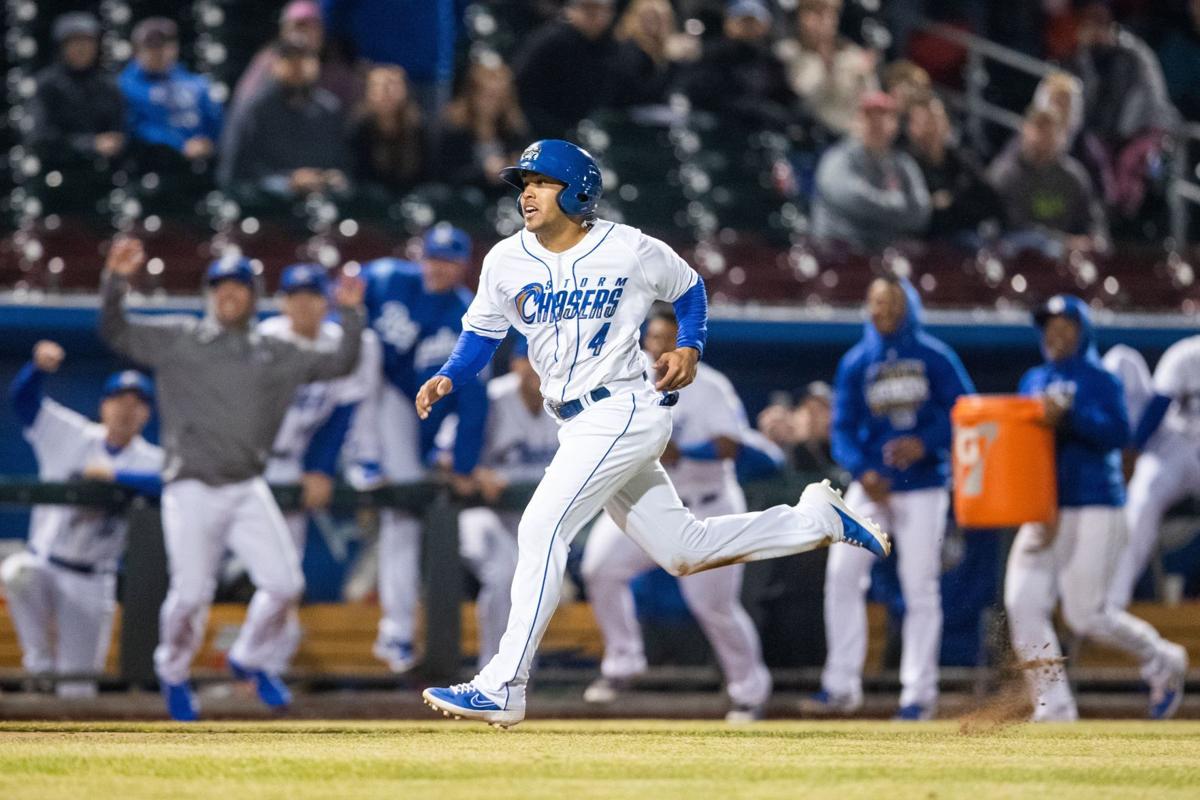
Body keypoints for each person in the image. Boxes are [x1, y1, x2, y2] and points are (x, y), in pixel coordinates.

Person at [415, 138, 891, 728]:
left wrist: (690, 344)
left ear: (577, 190)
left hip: (622, 409)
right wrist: (446, 375)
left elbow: (690, 289)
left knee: (541, 527)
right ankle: (813, 519)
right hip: (578, 422)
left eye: (540, 182)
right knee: (682, 550)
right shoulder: (504, 260)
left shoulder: (627, 247)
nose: (527, 193)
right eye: (524, 184)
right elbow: (481, 336)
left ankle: (504, 683)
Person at [98, 238, 365, 721]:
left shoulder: (275, 350)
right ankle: (174, 672)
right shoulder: (180, 337)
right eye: (221, 286)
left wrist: (349, 314)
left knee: (284, 585)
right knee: (191, 595)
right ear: (209, 294)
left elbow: (340, 363)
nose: (229, 294)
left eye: (239, 287)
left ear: (252, 296)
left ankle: (249, 658)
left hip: (245, 485)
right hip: (191, 485)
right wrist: (115, 280)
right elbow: (115, 330)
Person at [581, 307, 773, 723]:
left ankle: (749, 692)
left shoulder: (710, 386)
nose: (658, 347)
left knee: (714, 607)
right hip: (646, 502)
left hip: (706, 504)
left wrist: (684, 452)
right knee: (599, 569)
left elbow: (731, 445)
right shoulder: (630, 382)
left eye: (668, 340)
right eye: (653, 339)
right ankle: (623, 664)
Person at [1004, 295, 1188, 722]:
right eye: (1049, 325)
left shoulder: (1101, 378)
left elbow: (1119, 434)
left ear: (1083, 329)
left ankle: (1163, 657)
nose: (1056, 332)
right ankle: (1054, 707)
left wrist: (1069, 417)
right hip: (1045, 507)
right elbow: (1024, 449)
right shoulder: (1032, 379)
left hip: (1096, 503)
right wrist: (1031, 504)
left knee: (1085, 614)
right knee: (1022, 602)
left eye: (1065, 324)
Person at [805, 276, 974, 721]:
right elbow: (841, 429)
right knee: (841, 575)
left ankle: (918, 695)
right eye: (877, 301)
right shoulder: (857, 361)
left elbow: (966, 410)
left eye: (893, 301)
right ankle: (840, 686)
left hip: (924, 485)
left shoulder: (935, 356)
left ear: (909, 306)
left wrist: (926, 442)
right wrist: (863, 470)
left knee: (920, 586)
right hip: (873, 484)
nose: (884, 309)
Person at [345, 224, 489, 674]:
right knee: (365, 346)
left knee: (402, 517)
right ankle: (361, 456)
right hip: (356, 403)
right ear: (419, 256)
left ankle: (397, 635)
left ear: (462, 265)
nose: (438, 267)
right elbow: (345, 295)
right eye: (433, 257)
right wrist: (344, 309)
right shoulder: (386, 277)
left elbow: (473, 400)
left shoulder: (469, 314)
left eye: (448, 260)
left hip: (412, 422)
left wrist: (462, 462)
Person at [1, 344, 162, 698]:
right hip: (45, 566)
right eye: (119, 400)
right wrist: (36, 369)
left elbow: (171, 485)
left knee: (78, 691)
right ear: (104, 405)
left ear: (146, 414)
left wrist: (115, 476)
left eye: (137, 403)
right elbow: (24, 403)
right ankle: (40, 664)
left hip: (91, 579)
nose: (126, 409)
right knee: (15, 572)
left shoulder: (149, 459)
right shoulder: (72, 434)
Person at [258, 264, 382, 675]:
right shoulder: (266, 340)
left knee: (283, 574)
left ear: (325, 301)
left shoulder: (339, 343)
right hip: (248, 464)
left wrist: (320, 469)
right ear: (282, 302)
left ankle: (266, 665)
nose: (304, 304)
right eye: (295, 296)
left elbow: (344, 410)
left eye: (313, 295)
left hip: (290, 464)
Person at [436, 339, 559, 670]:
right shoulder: (491, 398)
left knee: (537, 578)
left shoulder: (568, 398)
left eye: (544, 361)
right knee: (504, 571)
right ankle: (492, 668)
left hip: (533, 518)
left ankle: (518, 670)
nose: (536, 370)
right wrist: (475, 472)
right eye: (529, 361)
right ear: (515, 365)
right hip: (482, 512)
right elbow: (442, 455)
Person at [1102, 337, 1200, 610]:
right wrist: (1133, 450)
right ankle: (1113, 601)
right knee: (1143, 499)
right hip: (1178, 446)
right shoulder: (1186, 353)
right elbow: (1158, 405)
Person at [1068, 0, 1177, 219]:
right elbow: (1087, 98)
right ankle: (1108, 220)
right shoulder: (1086, 56)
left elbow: (1139, 102)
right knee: (1092, 152)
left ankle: (1124, 221)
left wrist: (1114, 136)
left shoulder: (1131, 54)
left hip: (1145, 130)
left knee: (1130, 164)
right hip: (1110, 133)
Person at [217, 36, 352, 198]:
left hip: (322, 203)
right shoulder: (255, 110)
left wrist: (332, 178)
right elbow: (235, 172)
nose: (298, 67)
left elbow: (343, 163)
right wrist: (287, 183)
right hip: (269, 209)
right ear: (275, 65)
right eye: (290, 60)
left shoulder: (329, 109)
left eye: (305, 59)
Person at [811, 91, 931, 252]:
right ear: (856, 122)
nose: (877, 125)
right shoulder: (836, 159)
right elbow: (855, 201)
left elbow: (921, 211)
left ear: (894, 124)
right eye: (869, 118)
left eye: (883, 118)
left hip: (888, 253)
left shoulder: (903, 163)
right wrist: (897, 204)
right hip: (841, 254)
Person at [987, 105, 1108, 258]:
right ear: (1025, 130)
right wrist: (1064, 241)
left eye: (1049, 130)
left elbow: (1092, 216)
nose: (1043, 137)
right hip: (1015, 244)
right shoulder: (1006, 174)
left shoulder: (1074, 175)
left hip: (1066, 246)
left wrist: (1097, 238)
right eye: (1038, 128)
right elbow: (1015, 223)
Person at [320, 0, 460, 120]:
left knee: (430, 146)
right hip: (373, 74)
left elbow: (460, 11)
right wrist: (350, 55)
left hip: (430, 73)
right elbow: (332, 13)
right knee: (365, 143)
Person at [674, 0, 799, 133]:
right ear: (728, 23)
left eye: (753, 22)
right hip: (719, 135)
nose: (748, 27)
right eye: (743, 21)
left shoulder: (772, 62)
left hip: (763, 135)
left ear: (765, 26)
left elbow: (789, 100)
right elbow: (707, 97)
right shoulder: (712, 57)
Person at [229, 0, 360, 121]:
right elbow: (245, 109)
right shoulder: (268, 62)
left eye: (312, 26)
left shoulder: (336, 67)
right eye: (299, 26)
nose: (305, 34)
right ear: (284, 31)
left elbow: (352, 116)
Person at [119, 18, 222, 169]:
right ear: (137, 50)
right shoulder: (126, 85)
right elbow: (137, 127)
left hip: (202, 160)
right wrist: (180, 145)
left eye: (166, 45)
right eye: (152, 46)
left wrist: (208, 141)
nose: (160, 52)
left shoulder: (195, 82)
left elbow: (215, 116)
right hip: (155, 165)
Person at [25, 12, 125, 169]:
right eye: (75, 42)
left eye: (88, 41)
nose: (82, 48)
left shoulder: (107, 83)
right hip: (60, 173)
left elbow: (119, 127)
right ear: (62, 46)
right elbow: (40, 137)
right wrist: (90, 144)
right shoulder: (47, 84)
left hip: (104, 173)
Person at [903, 93, 1002, 243]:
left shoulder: (963, 160)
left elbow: (990, 202)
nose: (932, 128)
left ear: (947, 123)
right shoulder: (903, 164)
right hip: (919, 241)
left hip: (965, 236)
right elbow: (908, 213)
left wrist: (952, 201)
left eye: (936, 120)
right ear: (911, 127)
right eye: (924, 122)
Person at [513, 0, 618, 139]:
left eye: (604, 11)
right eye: (589, 10)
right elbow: (519, 85)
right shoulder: (551, 39)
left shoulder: (608, 45)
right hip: (541, 127)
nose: (597, 17)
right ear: (571, 9)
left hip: (581, 127)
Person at [776, 0, 878, 138]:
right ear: (801, 16)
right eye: (816, 13)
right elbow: (800, 104)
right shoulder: (788, 53)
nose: (825, 20)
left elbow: (871, 97)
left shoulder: (852, 55)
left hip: (852, 137)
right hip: (810, 137)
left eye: (831, 13)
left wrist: (865, 74)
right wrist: (826, 69)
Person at [438, 57, 530, 192]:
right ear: (473, 94)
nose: (493, 104)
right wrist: (483, 174)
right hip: (464, 196)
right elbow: (446, 175)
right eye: (488, 96)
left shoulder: (514, 127)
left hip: (505, 196)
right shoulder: (454, 128)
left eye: (500, 97)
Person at [348, 65, 428, 193]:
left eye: (393, 85)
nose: (386, 92)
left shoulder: (418, 126)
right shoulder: (358, 126)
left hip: (410, 194)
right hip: (368, 197)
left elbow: (427, 174)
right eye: (378, 87)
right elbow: (355, 173)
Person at [608, 0, 698, 108]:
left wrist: (685, 60)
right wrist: (672, 62)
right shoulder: (628, 49)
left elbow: (685, 88)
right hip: (628, 115)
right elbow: (644, 96)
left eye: (662, 19)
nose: (657, 25)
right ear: (635, 19)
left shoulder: (662, 49)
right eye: (650, 18)